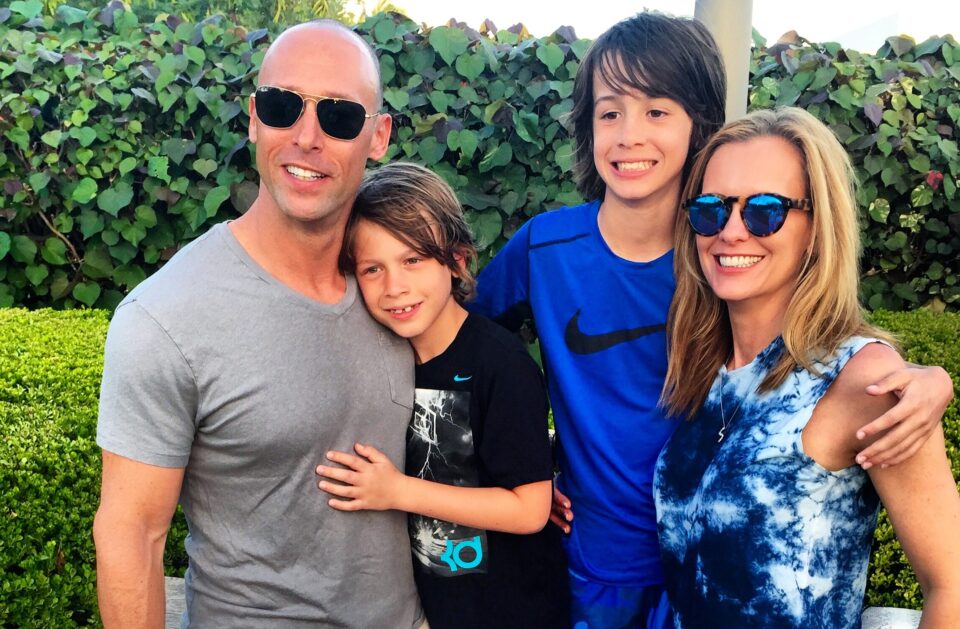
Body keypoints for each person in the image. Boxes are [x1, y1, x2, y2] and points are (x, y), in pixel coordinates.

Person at [470, 11, 955, 628]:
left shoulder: (733, 283)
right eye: (610, 111)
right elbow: (467, 345)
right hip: (588, 567)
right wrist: (524, 463)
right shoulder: (690, 309)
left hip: (676, 582)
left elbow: (827, 359)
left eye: (767, 213)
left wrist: (921, 378)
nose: (731, 232)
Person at [93, 21, 426, 627]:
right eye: (282, 107)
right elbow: (131, 534)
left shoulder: (400, 289)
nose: (306, 137)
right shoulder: (166, 317)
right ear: (253, 118)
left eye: (340, 117)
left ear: (377, 136)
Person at [655, 106, 960, 627]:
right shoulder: (706, 364)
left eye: (765, 210)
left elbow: (951, 587)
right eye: (711, 208)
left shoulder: (866, 380)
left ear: (816, 228)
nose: (730, 231)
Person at [316, 162, 570, 628]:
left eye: (413, 260)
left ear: (457, 261)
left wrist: (395, 490)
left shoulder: (500, 364)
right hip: (435, 609)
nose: (395, 287)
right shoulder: (378, 358)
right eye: (373, 268)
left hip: (513, 612)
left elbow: (531, 509)